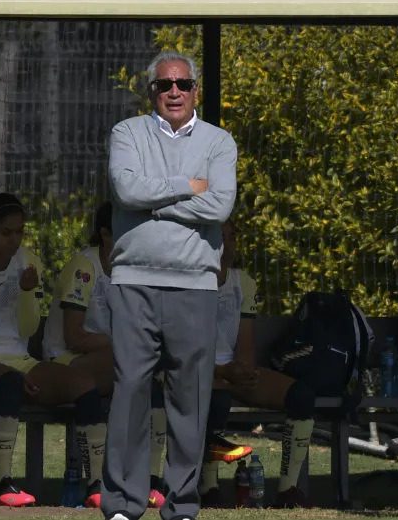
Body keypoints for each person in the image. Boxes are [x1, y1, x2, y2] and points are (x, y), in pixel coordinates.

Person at [102, 50, 238, 520]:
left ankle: (181, 504)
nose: (174, 91)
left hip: (196, 286)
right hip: (133, 282)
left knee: (190, 400)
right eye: (164, 85)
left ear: (196, 88)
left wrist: (155, 198)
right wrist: (188, 186)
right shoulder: (127, 132)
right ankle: (122, 503)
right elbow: (126, 190)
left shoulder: (220, 142)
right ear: (152, 92)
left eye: (182, 83)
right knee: (130, 392)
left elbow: (219, 207)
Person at [0, 193, 108, 508]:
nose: (15, 240)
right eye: (7, 232)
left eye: (20, 231)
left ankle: (95, 483)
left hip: (20, 361)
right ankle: (2, 483)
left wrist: (27, 292)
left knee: (84, 388)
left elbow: (28, 329)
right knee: (9, 381)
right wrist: (12, 370)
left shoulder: (29, 261)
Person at [43, 201, 168, 510]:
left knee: (157, 375)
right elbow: (74, 337)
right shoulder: (84, 267)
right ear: (105, 234)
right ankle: (96, 483)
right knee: (139, 367)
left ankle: (152, 481)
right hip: (65, 360)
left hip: (109, 359)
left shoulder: (133, 268)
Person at [200, 219, 314, 509]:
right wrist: (219, 373)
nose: (227, 246)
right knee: (217, 396)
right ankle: (208, 487)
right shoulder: (193, 281)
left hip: (231, 373)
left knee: (301, 395)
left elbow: (246, 345)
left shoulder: (244, 283)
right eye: (220, 238)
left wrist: (244, 372)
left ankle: (289, 491)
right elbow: (183, 347)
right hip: (197, 371)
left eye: (231, 237)